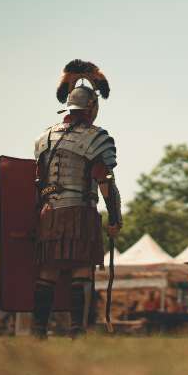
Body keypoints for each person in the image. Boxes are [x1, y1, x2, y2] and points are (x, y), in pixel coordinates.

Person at [32, 59, 122, 339]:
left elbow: (38, 181)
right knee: (81, 271)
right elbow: (105, 181)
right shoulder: (96, 137)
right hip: (80, 212)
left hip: (49, 213)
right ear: (91, 108)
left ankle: (38, 332)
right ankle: (77, 331)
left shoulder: (44, 138)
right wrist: (115, 218)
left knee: (48, 272)